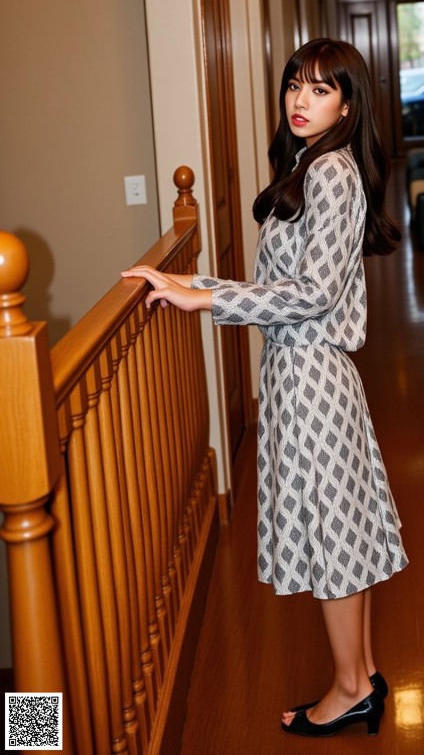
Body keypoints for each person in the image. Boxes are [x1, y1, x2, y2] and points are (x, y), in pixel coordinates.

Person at [122, 38, 408, 738]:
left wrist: (205, 300)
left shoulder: (330, 171)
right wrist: (191, 282)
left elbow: (310, 293)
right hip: (305, 373)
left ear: (348, 105)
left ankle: (349, 688)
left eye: (320, 89)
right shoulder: (314, 163)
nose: (300, 101)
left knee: (335, 537)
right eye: (294, 85)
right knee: (345, 530)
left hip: (310, 377)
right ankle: (363, 675)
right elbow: (285, 285)